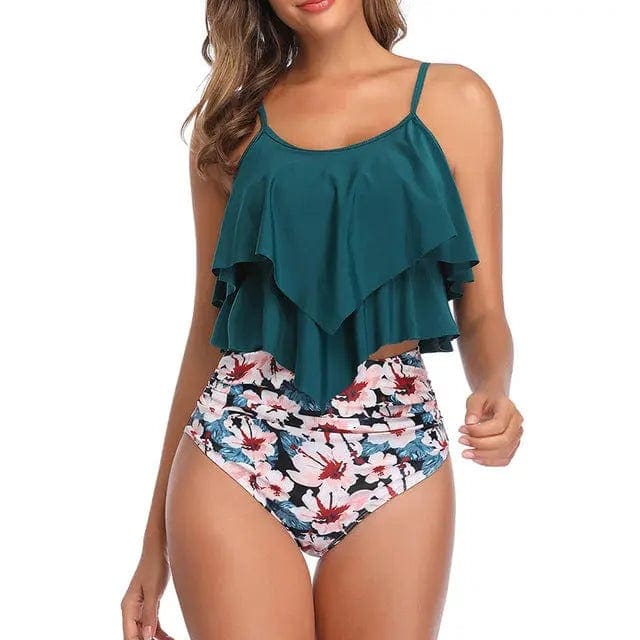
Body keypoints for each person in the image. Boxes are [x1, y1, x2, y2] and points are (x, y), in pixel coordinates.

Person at [121, 1, 524, 638]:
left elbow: (484, 312)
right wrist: (154, 545)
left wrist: (495, 386)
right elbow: (207, 331)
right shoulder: (229, 127)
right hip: (237, 447)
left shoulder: (456, 100)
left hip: (394, 449)